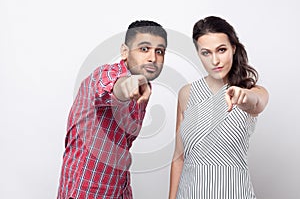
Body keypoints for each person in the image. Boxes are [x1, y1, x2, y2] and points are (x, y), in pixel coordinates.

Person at [57, 20, 167, 199]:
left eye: (159, 51)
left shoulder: (145, 88)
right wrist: (128, 83)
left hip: (117, 188)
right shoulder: (104, 75)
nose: (153, 58)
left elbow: (122, 144)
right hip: (84, 191)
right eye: (144, 49)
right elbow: (113, 87)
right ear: (124, 51)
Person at [169, 16, 269, 199]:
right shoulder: (186, 94)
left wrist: (244, 96)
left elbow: (257, 102)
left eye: (221, 50)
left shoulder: (252, 92)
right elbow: (178, 157)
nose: (215, 60)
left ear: (233, 48)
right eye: (206, 53)